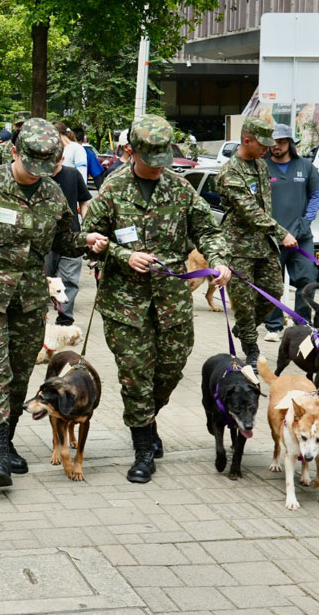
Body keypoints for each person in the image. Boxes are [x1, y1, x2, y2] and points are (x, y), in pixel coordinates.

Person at [0, 118, 108, 488]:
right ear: (14, 151)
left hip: (29, 300)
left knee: (19, 379)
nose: (37, 174)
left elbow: (65, 239)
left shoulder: (52, 194)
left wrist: (88, 241)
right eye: (31, 165)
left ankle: (8, 443)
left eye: (45, 167)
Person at [83, 116, 232, 482]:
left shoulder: (180, 190)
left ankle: (147, 421)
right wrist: (122, 255)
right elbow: (87, 238)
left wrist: (218, 258)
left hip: (172, 302)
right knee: (136, 377)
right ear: (130, 152)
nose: (158, 164)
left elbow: (208, 229)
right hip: (125, 304)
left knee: (169, 370)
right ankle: (144, 448)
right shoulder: (113, 190)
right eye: (150, 156)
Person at [216, 118, 293, 362]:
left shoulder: (261, 166)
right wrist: (281, 232)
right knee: (244, 302)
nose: (268, 149)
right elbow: (249, 210)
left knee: (274, 290)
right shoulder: (230, 172)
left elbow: (265, 206)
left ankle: (245, 329)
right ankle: (251, 349)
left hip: (264, 245)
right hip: (238, 247)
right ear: (247, 140)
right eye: (263, 144)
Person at [262, 123, 319, 342]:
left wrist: (306, 222)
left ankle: (303, 324)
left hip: (301, 237)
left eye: (281, 142)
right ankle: (274, 326)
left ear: (290, 143)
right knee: (272, 282)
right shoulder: (263, 166)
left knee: (307, 278)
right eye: (273, 142)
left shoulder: (305, 166)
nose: (276, 146)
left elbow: (316, 195)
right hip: (271, 237)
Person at [45, 160, 92, 327]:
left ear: (62, 159)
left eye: (56, 163)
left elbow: (84, 200)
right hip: (45, 240)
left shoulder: (72, 175)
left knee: (70, 281)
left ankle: (65, 319)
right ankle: (41, 320)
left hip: (71, 237)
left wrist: (86, 226)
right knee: (44, 279)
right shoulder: (38, 174)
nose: (53, 168)